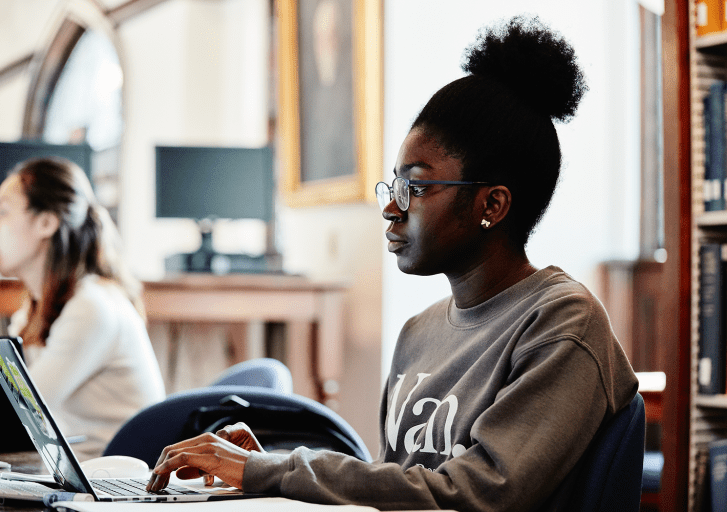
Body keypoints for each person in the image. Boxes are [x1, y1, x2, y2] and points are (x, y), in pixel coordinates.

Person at [147, 16, 638, 511]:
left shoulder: (561, 325)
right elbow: (398, 486)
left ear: (492, 206)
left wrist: (275, 472)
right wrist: (268, 462)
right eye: (395, 184)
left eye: (417, 186)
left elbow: (473, 495)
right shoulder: (417, 333)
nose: (391, 206)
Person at [0, 157, 166, 460]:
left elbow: (20, 415)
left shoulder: (90, 307)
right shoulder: (36, 306)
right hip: (70, 469)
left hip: (110, 482)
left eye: (3, 212)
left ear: (47, 222)